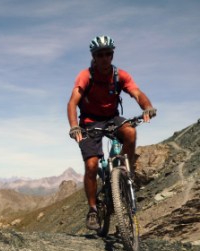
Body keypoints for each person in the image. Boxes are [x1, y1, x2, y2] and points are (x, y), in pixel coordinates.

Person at [67, 35, 157, 230]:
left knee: (130, 132)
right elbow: (73, 103)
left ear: (112, 55)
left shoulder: (120, 75)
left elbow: (137, 93)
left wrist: (147, 106)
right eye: (100, 55)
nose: (105, 58)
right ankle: (92, 210)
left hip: (112, 119)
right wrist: (75, 126)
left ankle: (125, 172)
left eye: (108, 54)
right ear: (94, 56)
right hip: (89, 122)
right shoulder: (86, 76)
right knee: (91, 166)